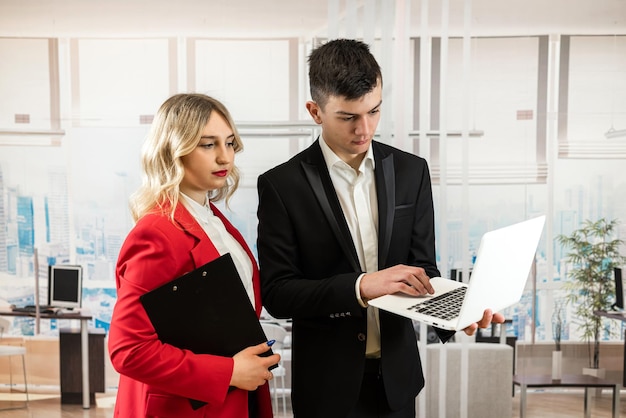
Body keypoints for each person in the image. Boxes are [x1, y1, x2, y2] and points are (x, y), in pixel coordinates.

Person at [256, 39, 504, 418]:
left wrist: (456, 313)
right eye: (348, 117)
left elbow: (423, 270)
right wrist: (361, 286)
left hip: (397, 381)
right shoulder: (281, 185)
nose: (364, 128)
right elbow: (278, 293)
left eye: (374, 111)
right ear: (315, 111)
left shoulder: (411, 171)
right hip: (326, 386)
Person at [108, 93, 279, 418]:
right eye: (208, 144)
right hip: (186, 406)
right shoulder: (157, 233)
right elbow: (128, 350)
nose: (224, 157)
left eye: (229, 143)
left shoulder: (213, 219)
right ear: (175, 149)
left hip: (233, 399)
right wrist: (228, 371)